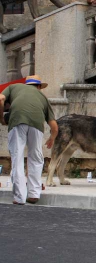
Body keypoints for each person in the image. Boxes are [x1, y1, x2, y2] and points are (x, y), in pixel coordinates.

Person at [0, 75, 58, 205]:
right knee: (36, 157)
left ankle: (19, 197)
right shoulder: (43, 97)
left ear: (26, 85)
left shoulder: (13, 87)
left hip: (17, 121)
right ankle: (33, 194)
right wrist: (51, 139)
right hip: (37, 125)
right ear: (38, 87)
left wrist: (2, 118)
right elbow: (54, 126)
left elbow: (1, 98)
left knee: (17, 157)